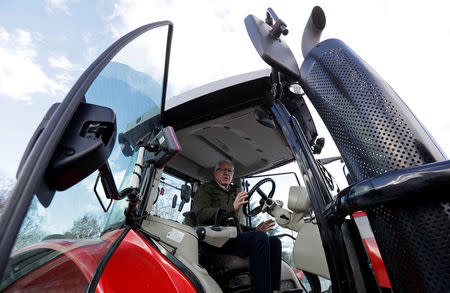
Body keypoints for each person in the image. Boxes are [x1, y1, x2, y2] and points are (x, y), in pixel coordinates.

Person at [194, 160, 282, 293]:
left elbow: (236, 226)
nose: (226, 173)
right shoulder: (206, 189)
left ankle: (274, 289)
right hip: (217, 241)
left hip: (233, 238)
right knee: (259, 238)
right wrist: (232, 208)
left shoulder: (232, 192)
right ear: (215, 172)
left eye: (230, 171)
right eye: (222, 169)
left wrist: (255, 229)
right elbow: (201, 215)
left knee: (274, 241)